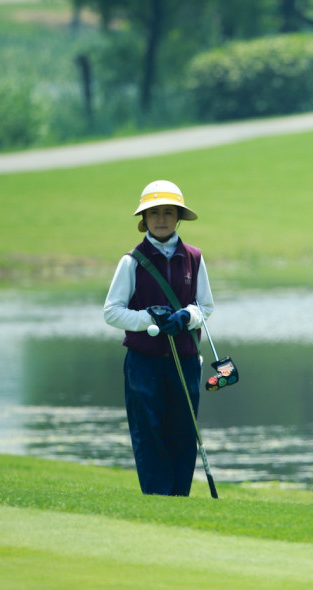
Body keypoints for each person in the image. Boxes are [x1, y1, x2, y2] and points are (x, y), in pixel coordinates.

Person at [103, 179, 215, 496]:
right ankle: (157, 498)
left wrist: (187, 317)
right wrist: (147, 318)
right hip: (143, 362)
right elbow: (112, 311)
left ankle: (179, 498)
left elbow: (206, 306)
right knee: (148, 431)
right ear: (144, 220)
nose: (161, 219)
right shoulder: (131, 261)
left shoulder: (193, 257)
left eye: (168, 212)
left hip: (186, 360)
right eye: (154, 213)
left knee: (183, 430)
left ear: (178, 217)